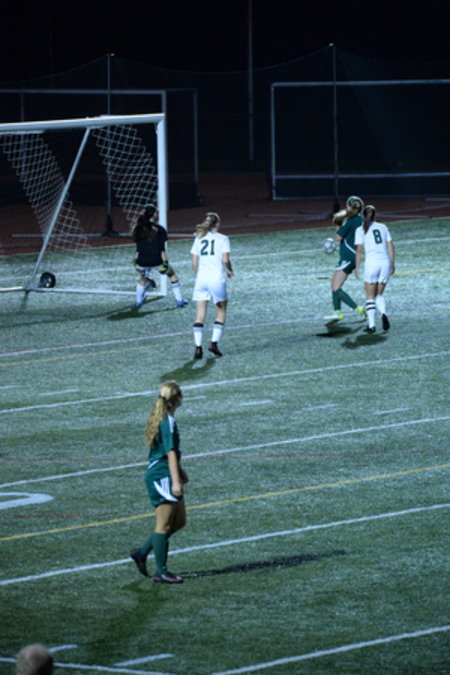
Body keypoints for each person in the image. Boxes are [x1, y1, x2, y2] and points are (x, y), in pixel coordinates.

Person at [130, 380, 188, 583]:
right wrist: (175, 481)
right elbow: (169, 452)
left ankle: (142, 552)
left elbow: (170, 452)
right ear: (177, 399)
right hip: (161, 475)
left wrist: (180, 472)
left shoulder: (165, 418)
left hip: (167, 472)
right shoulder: (167, 421)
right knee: (163, 524)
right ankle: (161, 571)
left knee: (179, 522)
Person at [190, 211, 233, 359]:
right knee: (221, 311)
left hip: (201, 279)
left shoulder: (199, 237)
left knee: (199, 314)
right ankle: (213, 344)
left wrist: (201, 274)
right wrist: (230, 270)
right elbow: (226, 260)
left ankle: (198, 348)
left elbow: (194, 262)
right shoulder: (223, 238)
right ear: (218, 224)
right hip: (216, 279)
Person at [131, 203, 188, 308]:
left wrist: (135, 263)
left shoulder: (137, 229)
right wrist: (165, 263)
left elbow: (138, 249)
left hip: (142, 261)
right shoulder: (160, 229)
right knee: (172, 275)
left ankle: (138, 302)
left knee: (143, 278)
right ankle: (179, 301)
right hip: (156, 260)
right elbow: (162, 250)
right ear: (154, 215)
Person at [325, 195, 367, 323]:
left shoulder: (350, 221)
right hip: (351, 256)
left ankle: (357, 309)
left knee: (336, 287)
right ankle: (337, 312)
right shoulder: (360, 219)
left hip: (348, 256)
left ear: (349, 206)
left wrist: (338, 224)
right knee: (334, 283)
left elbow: (338, 237)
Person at [354, 204, 395, 333]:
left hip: (372, 264)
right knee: (379, 294)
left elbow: (359, 250)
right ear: (375, 215)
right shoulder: (383, 227)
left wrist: (356, 267)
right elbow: (390, 245)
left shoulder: (360, 229)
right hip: (384, 263)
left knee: (370, 296)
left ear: (362, 216)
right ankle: (383, 313)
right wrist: (392, 263)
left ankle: (371, 325)